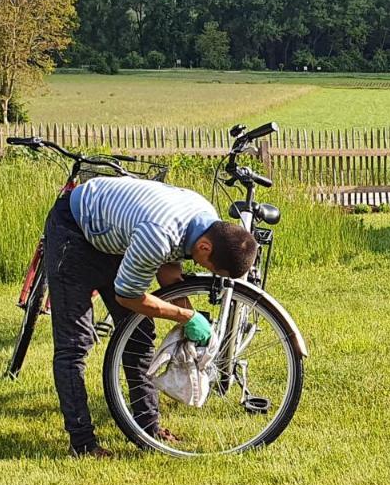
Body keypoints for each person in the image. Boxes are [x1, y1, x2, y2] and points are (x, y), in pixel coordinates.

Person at [42, 175, 258, 458]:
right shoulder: (158, 234)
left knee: (139, 337)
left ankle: (149, 428)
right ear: (205, 247)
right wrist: (186, 315)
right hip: (73, 231)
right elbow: (127, 296)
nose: (210, 273)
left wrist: (187, 318)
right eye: (212, 268)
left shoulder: (206, 220)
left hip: (112, 236)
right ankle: (82, 444)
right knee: (75, 345)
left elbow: (169, 269)